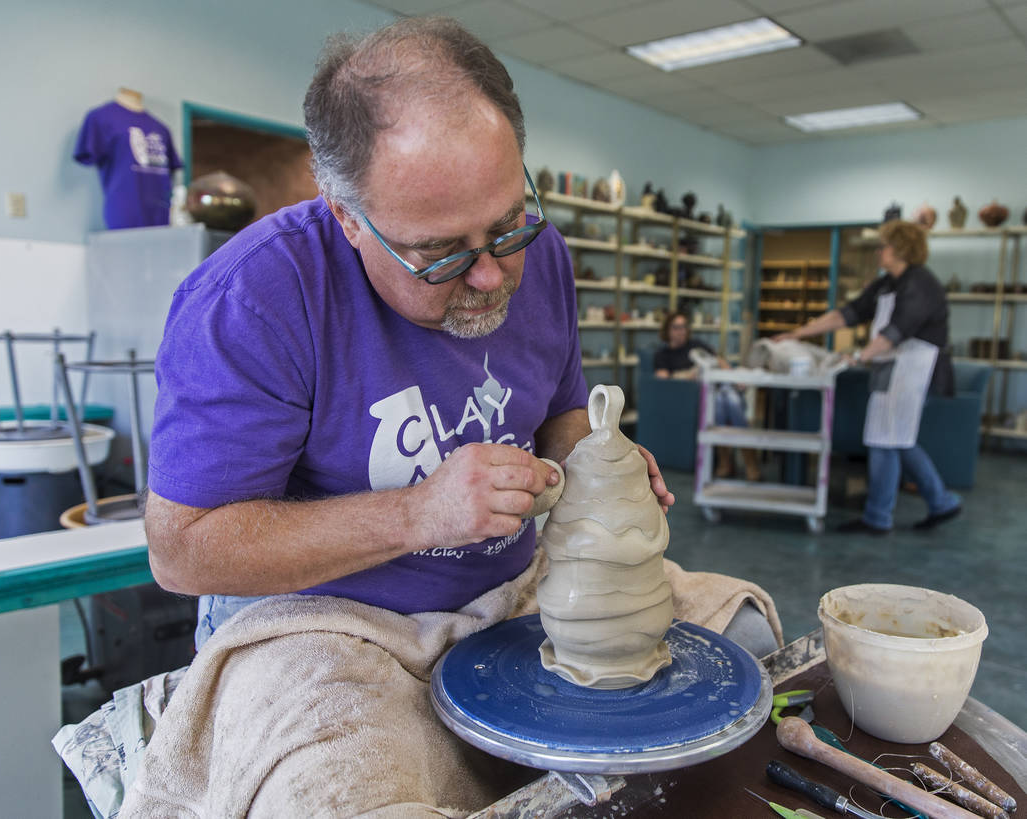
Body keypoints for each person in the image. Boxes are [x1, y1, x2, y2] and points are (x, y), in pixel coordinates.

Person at [127, 18, 781, 816]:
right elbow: (184, 549)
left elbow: (563, 411)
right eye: (439, 252)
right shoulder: (255, 298)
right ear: (346, 216)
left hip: (517, 589)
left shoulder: (540, 259)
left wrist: (598, 455)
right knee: (337, 798)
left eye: (507, 225)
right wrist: (415, 513)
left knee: (749, 648)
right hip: (331, 627)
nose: (488, 275)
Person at [775, 220, 961, 534]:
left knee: (884, 439)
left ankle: (879, 517)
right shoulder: (887, 283)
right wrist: (799, 333)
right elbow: (845, 314)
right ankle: (941, 502)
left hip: (915, 371)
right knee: (896, 440)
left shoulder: (921, 283)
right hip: (893, 369)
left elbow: (896, 331)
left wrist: (860, 356)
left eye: (884, 245)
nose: (879, 251)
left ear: (901, 249)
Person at [654, 310, 760, 481]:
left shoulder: (697, 345)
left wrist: (733, 377)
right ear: (667, 330)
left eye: (683, 327)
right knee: (724, 401)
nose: (680, 331)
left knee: (727, 397)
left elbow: (719, 361)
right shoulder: (663, 354)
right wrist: (688, 375)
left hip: (720, 386)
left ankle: (727, 462)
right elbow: (663, 379)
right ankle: (748, 461)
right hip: (696, 395)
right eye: (676, 327)